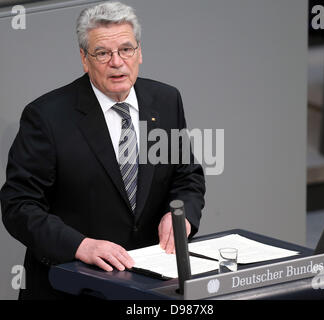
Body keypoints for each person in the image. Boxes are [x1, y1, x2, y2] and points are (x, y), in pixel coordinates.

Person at [0, 2, 205, 300]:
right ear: (85, 59)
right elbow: (19, 205)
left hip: (150, 285)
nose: (117, 62)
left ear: (140, 53)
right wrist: (80, 245)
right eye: (103, 53)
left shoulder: (166, 100)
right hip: (71, 287)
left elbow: (186, 177)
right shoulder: (47, 116)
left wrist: (180, 216)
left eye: (126, 49)